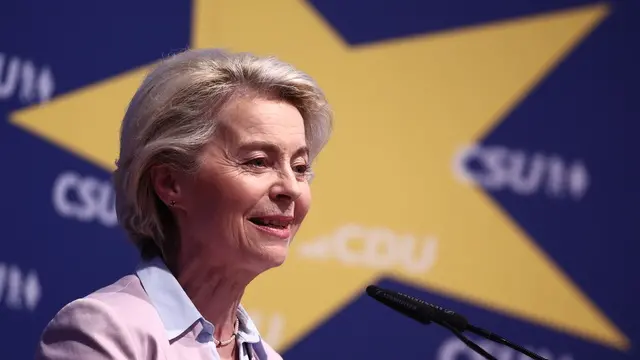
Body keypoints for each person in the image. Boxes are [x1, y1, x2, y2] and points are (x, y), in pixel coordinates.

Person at [35, 48, 333, 360]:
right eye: (258, 162)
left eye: (300, 168)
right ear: (169, 183)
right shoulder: (105, 333)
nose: (291, 189)